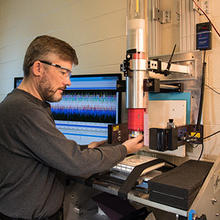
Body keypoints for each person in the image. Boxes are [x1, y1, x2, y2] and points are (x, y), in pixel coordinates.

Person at [0, 35, 144, 220]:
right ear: (38, 68)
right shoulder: (24, 110)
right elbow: (76, 163)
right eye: (63, 72)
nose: (68, 82)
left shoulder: (27, 104)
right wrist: (124, 149)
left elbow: (47, 152)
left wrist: (87, 148)